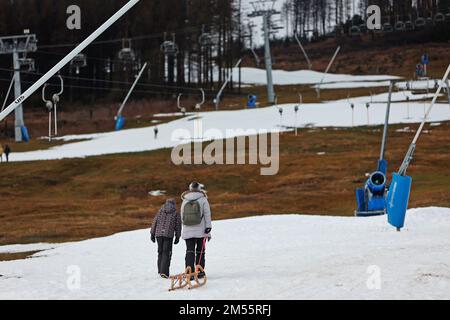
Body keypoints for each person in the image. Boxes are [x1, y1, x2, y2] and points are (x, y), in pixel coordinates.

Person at [180, 182, 212, 279]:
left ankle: (189, 273)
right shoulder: (203, 199)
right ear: (199, 188)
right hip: (201, 231)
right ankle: (200, 272)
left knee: (189, 251)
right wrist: (208, 228)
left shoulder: (185, 200)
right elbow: (207, 214)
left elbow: (182, 216)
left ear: (190, 188)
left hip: (188, 230)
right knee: (200, 252)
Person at [150, 199, 182, 278]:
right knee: (166, 253)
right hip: (168, 235)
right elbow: (178, 226)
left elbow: (155, 222)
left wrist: (152, 234)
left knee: (160, 252)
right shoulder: (175, 213)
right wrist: (177, 236)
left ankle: (160, 270)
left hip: (158, 235)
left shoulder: (160, 211)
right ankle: (164, 272)